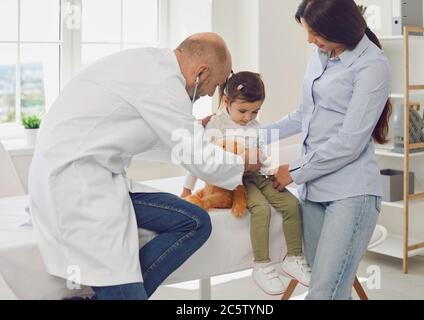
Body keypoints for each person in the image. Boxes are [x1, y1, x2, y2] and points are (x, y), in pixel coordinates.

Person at [28, 32, 261, 300]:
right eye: (214, 85)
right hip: (76, 188)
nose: (210, 93)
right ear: (201, 72)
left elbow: (152, 139)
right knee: (127, 290)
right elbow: (198, 158)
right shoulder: (163, 84)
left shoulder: (151, 68)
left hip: (100, 176)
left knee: (195, 221)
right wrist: (243, 163)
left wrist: (196, 131)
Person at [266, 0, 392, 299]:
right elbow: (305, 113)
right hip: (315, 192)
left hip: (350, 193)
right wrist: (255, 135)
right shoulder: (322, 54)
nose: (310, 39)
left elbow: (350, 141)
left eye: (315, 33)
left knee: (325, 291)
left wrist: (295, 172)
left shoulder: (372, 65)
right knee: (332, 289)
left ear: (340, 28)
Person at [182, 71, 311, 295]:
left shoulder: (254, 126)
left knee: (291, 205)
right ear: (226, 101)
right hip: (236, 179)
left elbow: (262, 156)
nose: (248, 117)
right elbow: (197, 160)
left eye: (255, 111)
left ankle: (294, 257)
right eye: (243, 111)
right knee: (261, 209)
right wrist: (186, 189)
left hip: (258, 175)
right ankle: (261, 263)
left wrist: (270, 169)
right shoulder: (214, 125)